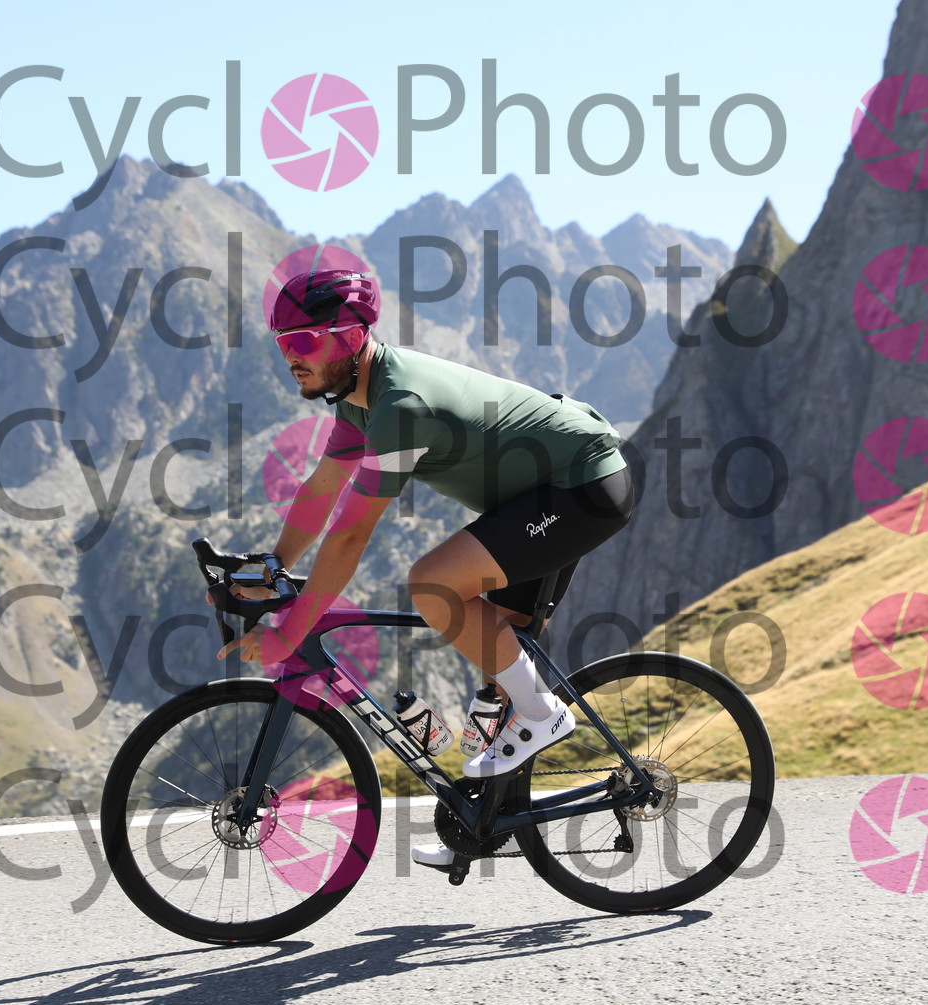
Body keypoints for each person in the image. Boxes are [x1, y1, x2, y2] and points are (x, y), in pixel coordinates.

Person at [218, 267, 634, 870]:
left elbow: (351, 534)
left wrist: (291, 630)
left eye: (303, 340)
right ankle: (482, 823)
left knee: (434, 584)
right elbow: (322, 489)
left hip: (582, 485)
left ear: (350, 337)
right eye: (282, 342)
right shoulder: (359, 400)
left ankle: (545, 716)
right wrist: (273, 566)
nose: (290, 356)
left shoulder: (400, 406)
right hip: (532, 498)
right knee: (501, 661)